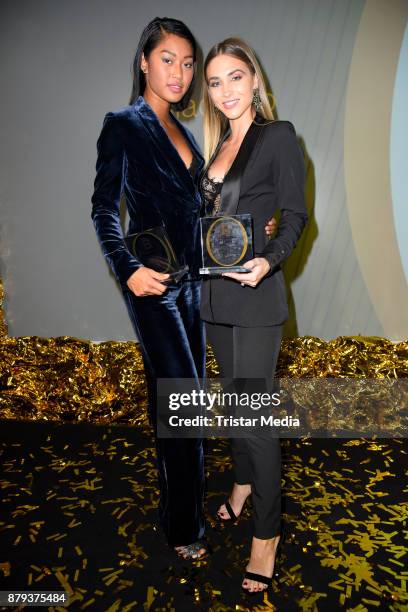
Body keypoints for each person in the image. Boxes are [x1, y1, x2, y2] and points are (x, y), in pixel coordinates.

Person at [91, 17, 209, 560]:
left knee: (184, 405)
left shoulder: (185, 133)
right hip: (154, 286)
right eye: (168, 60)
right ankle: (185, 529)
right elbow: (102, 209)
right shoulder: (123, 124)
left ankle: (177, 509)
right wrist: (127, 268)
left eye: (188, 63)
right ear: (144, 61)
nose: (180, 73)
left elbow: (195, 212)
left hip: (195, 288)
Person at [200, 38, 308, 591]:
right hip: (214, 300)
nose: (225, 92)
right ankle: (242, 484)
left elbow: (294, 214)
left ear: (255, 80)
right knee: (232, 406)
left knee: (254, 418)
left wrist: (267, 261)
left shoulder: (277, 137)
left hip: (257, 296)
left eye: (235, 77)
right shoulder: (214, 150)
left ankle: (266, 536)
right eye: (215, 82)